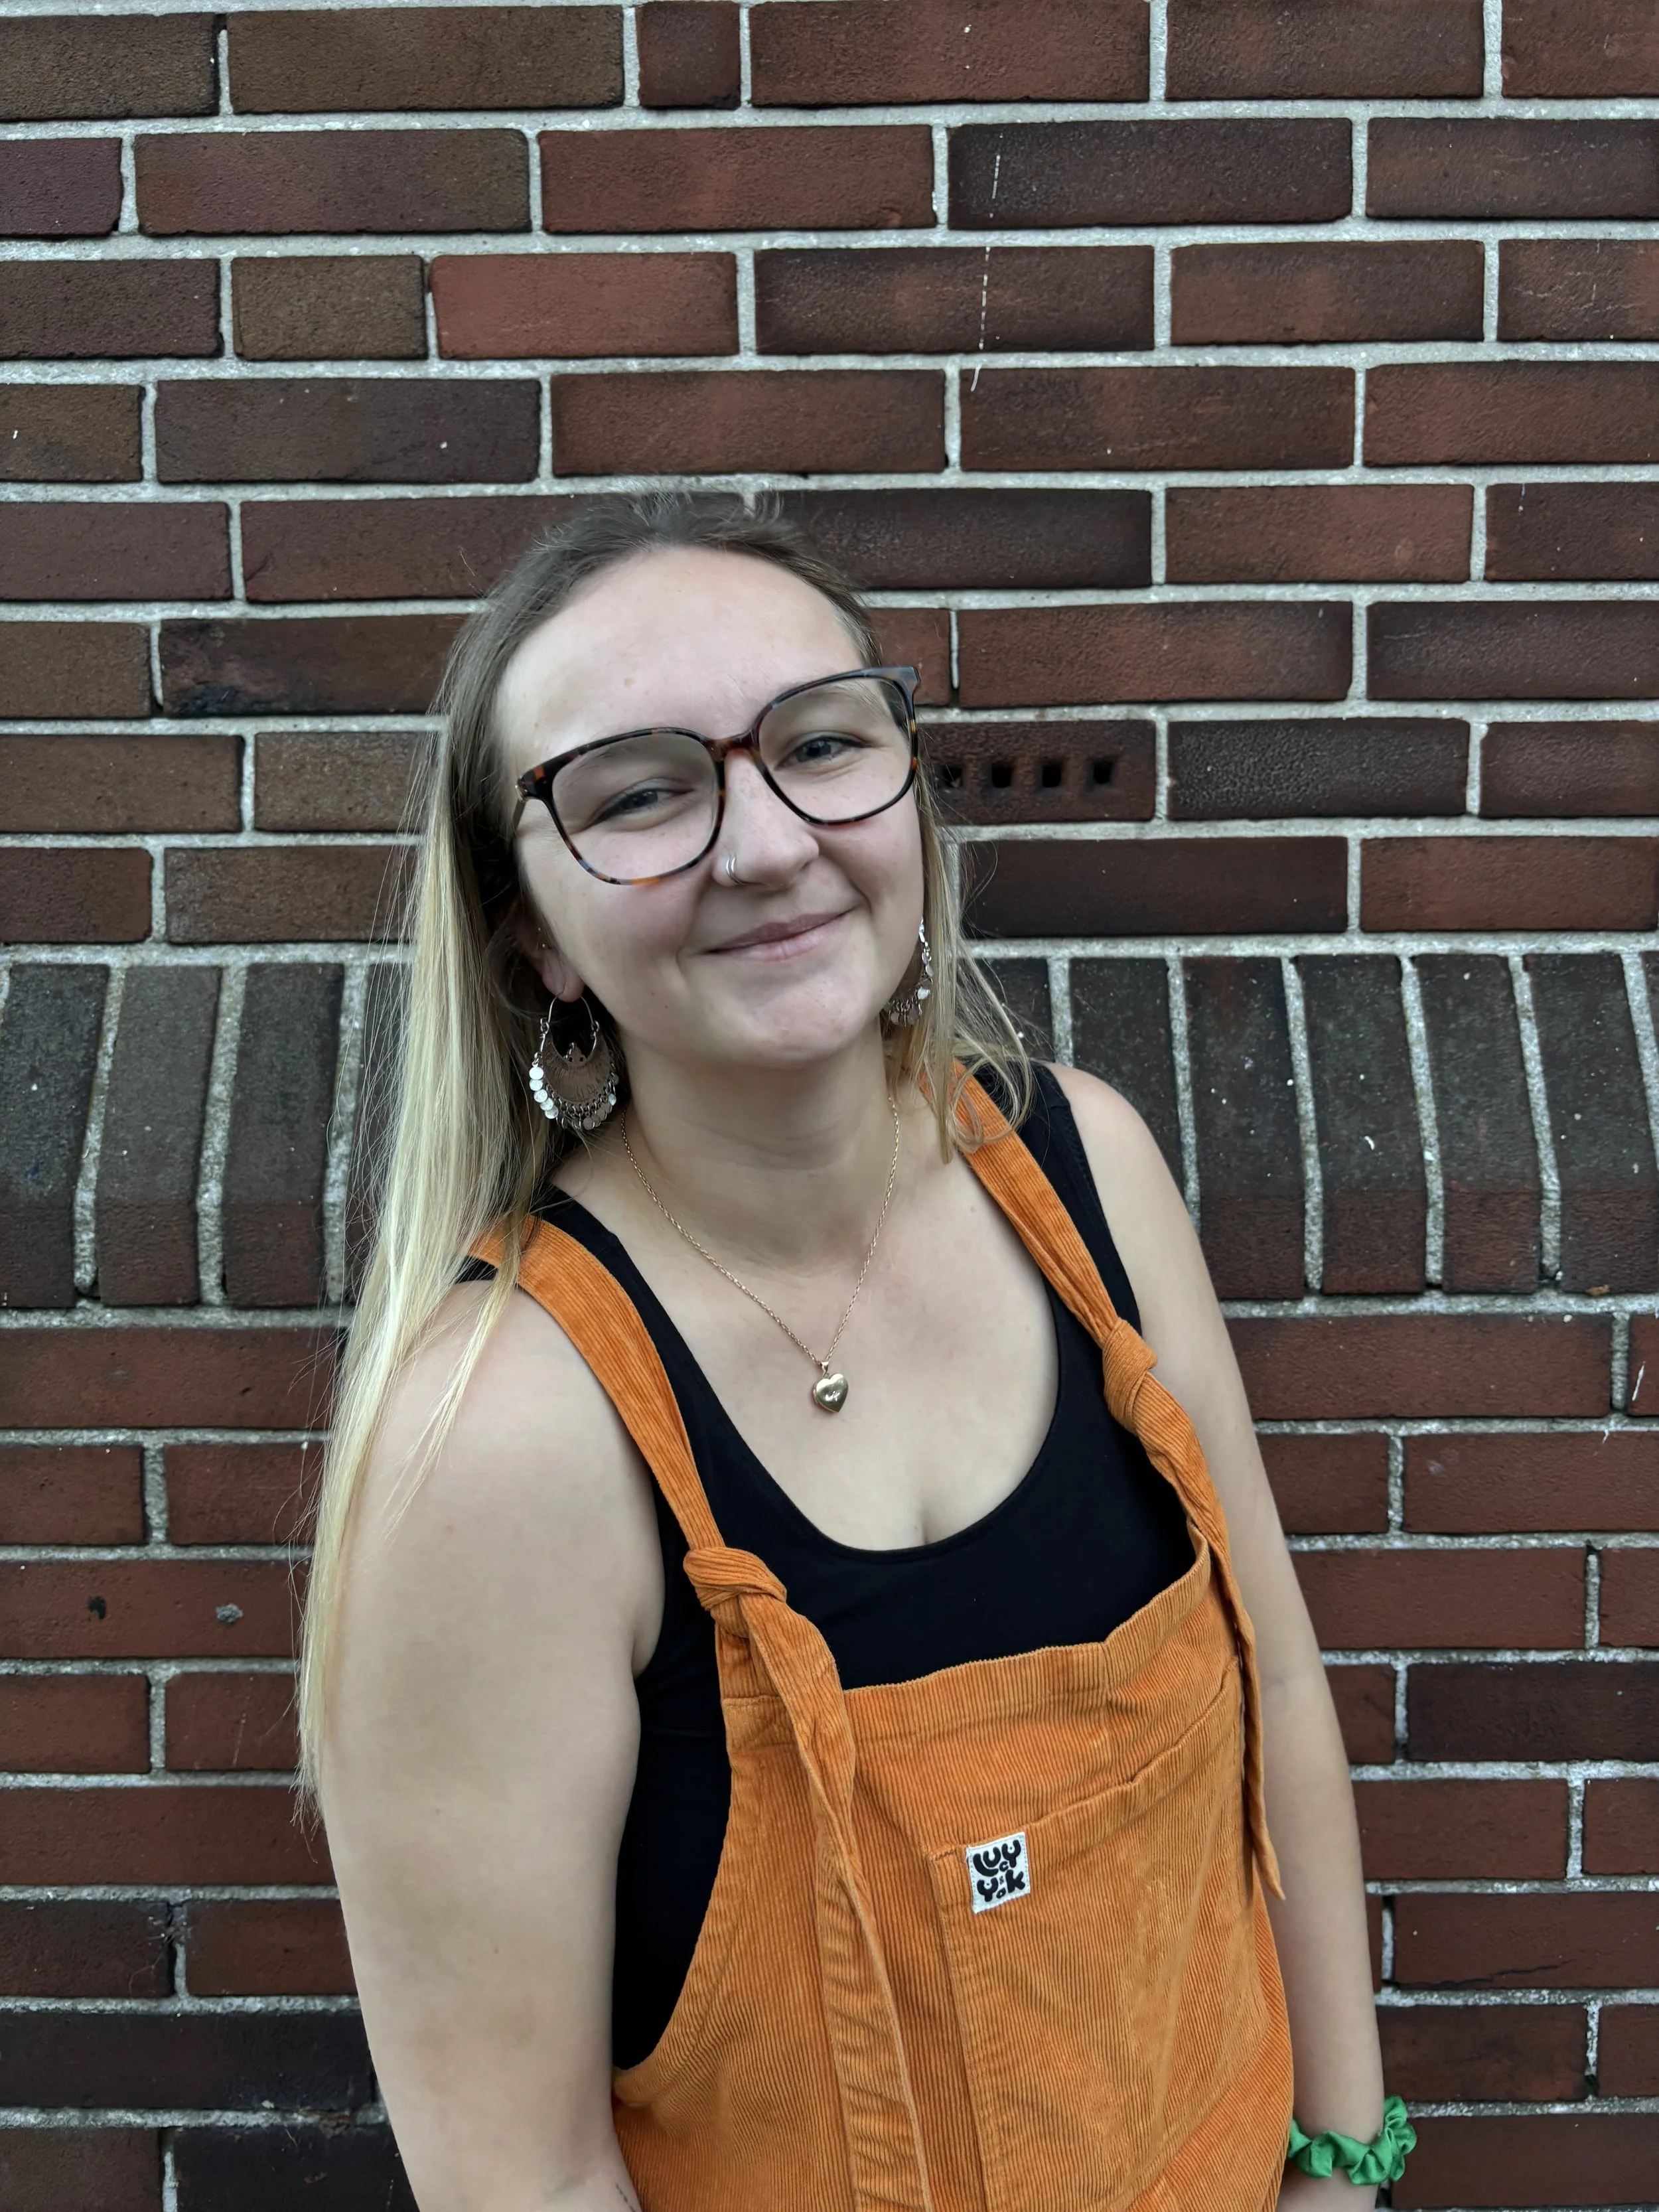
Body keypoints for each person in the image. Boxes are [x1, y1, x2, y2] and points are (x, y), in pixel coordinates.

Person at [303, 491, 1407, 2212]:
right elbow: (522, 2181)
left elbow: (1279, 1699)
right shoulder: (500, 1437)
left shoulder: (1085, 1170)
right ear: (530, 933)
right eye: (642, 791)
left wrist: (1344, 2169)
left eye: (817, 742)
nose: (760, 842)